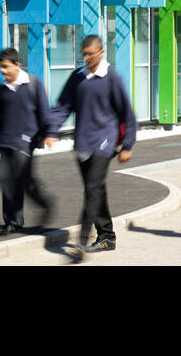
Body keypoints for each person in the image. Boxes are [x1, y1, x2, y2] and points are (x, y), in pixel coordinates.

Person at [42, 34, 137, 259]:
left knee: (93, 188)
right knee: (95, 190)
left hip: (105, 140)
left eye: (90, 54)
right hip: (83, 142)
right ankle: (107, 236)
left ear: (101, 52)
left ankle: (82, 241)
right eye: (83, 54)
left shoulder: (111, 77)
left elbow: (126, 112)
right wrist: (52, 131)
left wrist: (128, 144)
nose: (86, 58)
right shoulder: (78, 77)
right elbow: (62, 107)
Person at [0, 47, 55, 234]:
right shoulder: (1, 87)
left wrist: (49, 133)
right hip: (5, 141)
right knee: (6, 180)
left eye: (5, 66)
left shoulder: (33, 84)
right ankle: (12, 221)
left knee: (24, 181)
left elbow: (44, 111)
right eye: (0, 66)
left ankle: (45, 203)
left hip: (26, 140)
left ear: (17, 65)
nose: (2, 70)